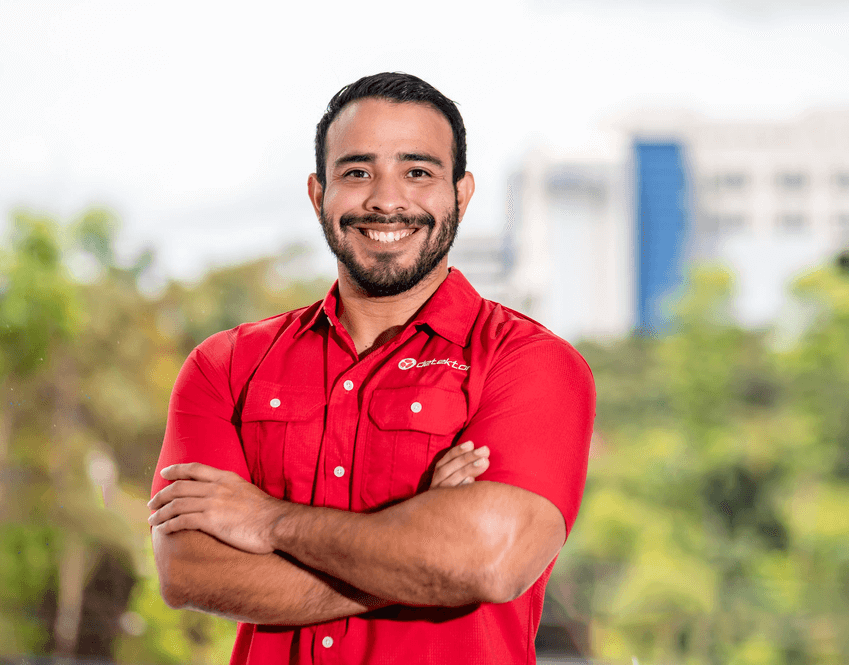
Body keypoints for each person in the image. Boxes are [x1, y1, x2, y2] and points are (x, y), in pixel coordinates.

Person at [148, 72, 595, 664]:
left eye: (418, 173)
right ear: (319, 194)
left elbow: (489, 560)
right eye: (357, 172)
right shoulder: (225, 366)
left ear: (461, 195)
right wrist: (421, 547)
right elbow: (190, 570)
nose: (387, 200)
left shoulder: (529, 362)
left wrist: (269, 522)